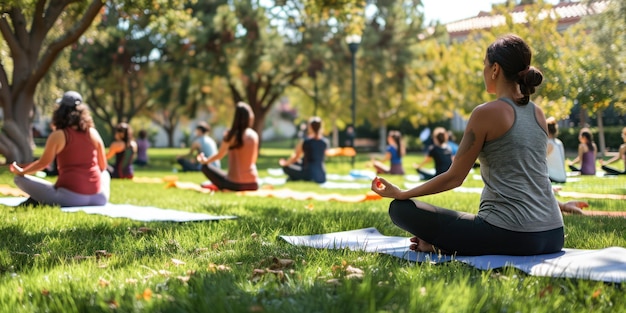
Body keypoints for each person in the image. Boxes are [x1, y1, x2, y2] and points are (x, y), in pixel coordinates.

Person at [371, 34, 565, 256]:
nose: (483, 71)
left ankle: (439, 245)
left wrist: (402, 193)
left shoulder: (486, 113)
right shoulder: (538, 114)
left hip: (511, 235)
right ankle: (442, 244)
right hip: (553, 234)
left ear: (495, 69)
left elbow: (455, 177)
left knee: (400, 209)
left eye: (484, 64)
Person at [9, 91, 110, 207]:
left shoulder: (59, 135)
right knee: (105, 174)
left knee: (19, 179)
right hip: (99, 198)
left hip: (70, 199)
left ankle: (38, 199)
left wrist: (21, 171)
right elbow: (103, 167)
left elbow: (43, 163)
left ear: (60, 111)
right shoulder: (93, 132)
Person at [196, 102, 259, 191]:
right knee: (225, 174)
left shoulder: (230, 135)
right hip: (253, 184)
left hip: (235, 185)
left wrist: (205, 161)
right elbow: (253, 160)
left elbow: (220, 155)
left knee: (204, 167)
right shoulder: (254, 135)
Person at [279, 116, 328, 183]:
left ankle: (294, 177)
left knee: (286, 168)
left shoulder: (305, 141)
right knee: (298, 163)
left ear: (310, 127)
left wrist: (285, 163)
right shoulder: (324, 142)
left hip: (308, 174)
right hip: (321, 175)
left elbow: (295, 157)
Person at [546, 117, 567, 183]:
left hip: (553, 177)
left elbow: (538, 161)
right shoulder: (559, 142)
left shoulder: (549, 144)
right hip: (562, 177)